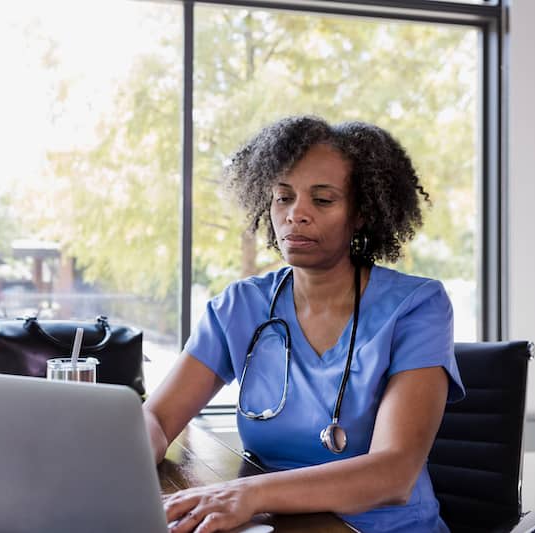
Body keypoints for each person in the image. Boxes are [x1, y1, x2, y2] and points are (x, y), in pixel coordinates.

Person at [142, 115, 465, 533]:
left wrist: (250, 494)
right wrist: (137, 447)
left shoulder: (417, 306)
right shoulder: (240, 306)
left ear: (362, 212)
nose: (297, 215)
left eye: (323, 200)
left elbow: (394, 473)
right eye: (283, 197)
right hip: (283, 525)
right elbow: (159, 418)